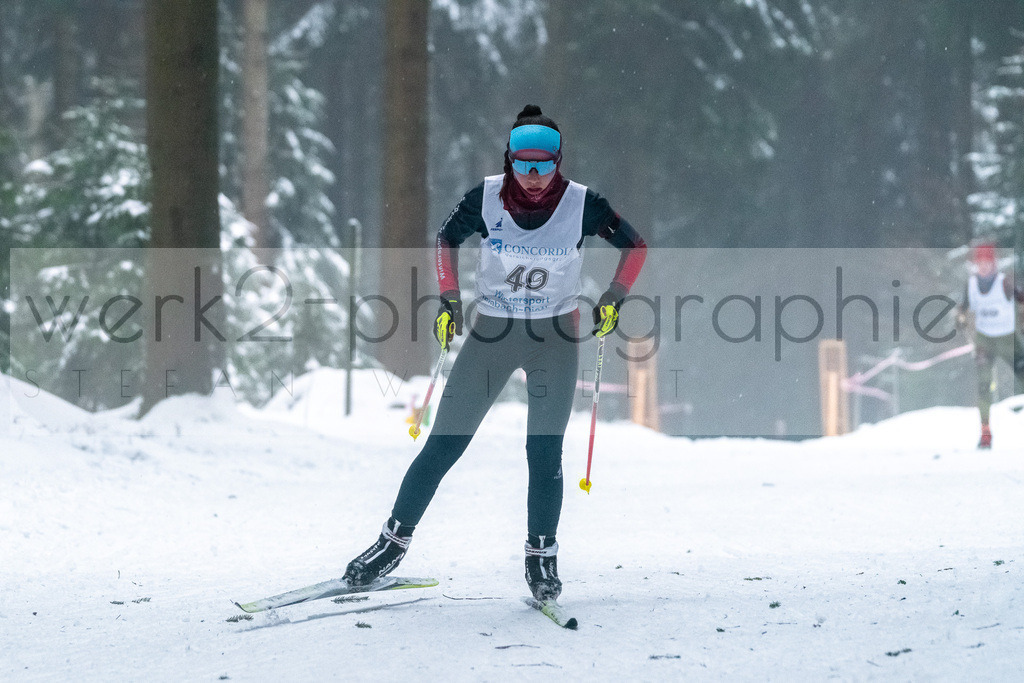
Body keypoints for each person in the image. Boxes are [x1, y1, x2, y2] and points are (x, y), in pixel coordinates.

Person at [343, 105, 647, 601]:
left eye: (542, 166)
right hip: (494, 335)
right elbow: (446, 238)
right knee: (445, 443)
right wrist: (448, 298)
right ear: (509, 159)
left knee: (544, 452)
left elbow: (635, 247)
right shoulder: (484, 197)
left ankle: (541, 558)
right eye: (522, 164)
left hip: (556, 338)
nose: (531, 177)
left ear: (558, 162)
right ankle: (390, 543)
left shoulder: (583, 203)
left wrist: (614, 297)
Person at [956, 243, 1024, 449]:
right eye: (980, 263)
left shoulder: (1005, 282)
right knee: (984, 387)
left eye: (987, 263)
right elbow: (963, 308)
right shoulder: (971, 285)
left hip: (1008, 340)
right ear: (975, 265)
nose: (984, 267)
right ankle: (985, 432)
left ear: (993, 263)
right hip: (984, 342)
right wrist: (960, 319)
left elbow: (1022, 300)